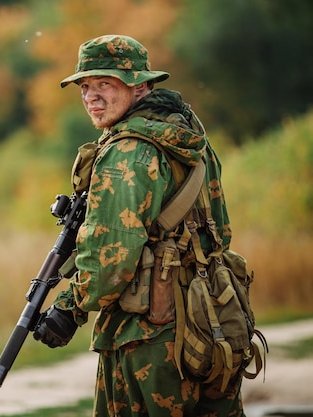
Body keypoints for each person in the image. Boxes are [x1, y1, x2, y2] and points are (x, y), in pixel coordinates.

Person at [32, 35, 245, 416]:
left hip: (151, 335)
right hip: (214, 320)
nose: (91, 97)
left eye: (105, 84)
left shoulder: (127, 152)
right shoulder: (187, 136)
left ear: (140, 85)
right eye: (85, 86)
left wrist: (69, 309)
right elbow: (220, 231)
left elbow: (110, 259)